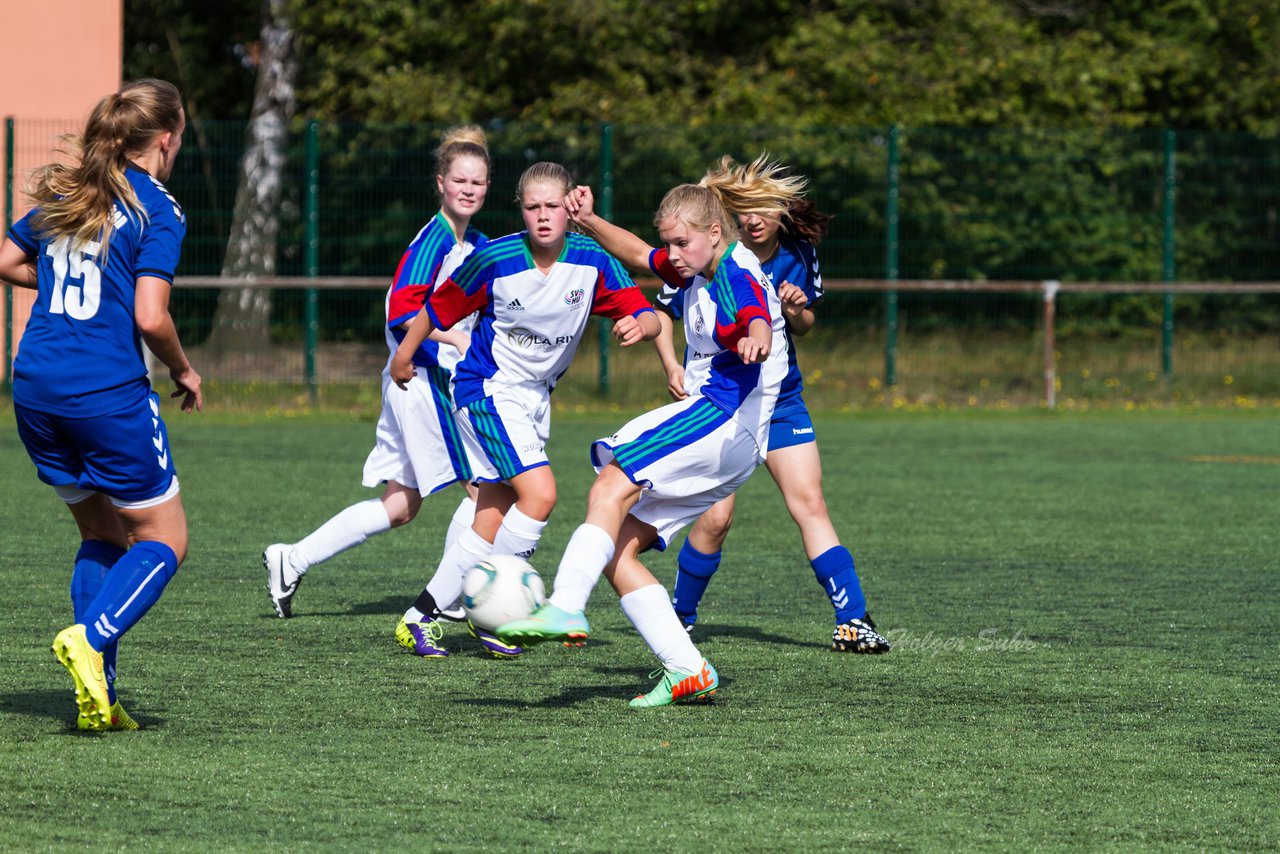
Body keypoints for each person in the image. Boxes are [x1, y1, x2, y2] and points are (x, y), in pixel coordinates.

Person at [498, 179, 788, 708]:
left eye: (682, 245)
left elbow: (755, 316)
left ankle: (564, 604)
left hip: (721, 419)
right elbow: (636, 252)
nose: (672, 258)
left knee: (611, 484)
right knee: (617, 547)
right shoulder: (700, 263)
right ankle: (687, 668)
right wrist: (588, 221)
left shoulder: (733, 271)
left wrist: (757, 337)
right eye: (669, 245)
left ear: (715, 233)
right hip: (730, 438)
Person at [387, 162, 660, 660]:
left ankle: (419, 617)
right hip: (486, 389)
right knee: (541, 494)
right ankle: (499, 612)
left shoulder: (591, 260)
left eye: (552, 206)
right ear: (521, 208)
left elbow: (645, 310)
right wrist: (403, 355)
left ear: (568, 209)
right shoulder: (495, 258)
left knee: (492, 513)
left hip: (534, 399)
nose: (542, 216)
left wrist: (643, 328)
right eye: (532, 207)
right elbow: (436, 308)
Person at [0, 79, 201, 731]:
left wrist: (55, 279)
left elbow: (5, 260)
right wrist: (183, 367)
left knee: (102, 534)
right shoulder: (157, 208)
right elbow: (151, 315)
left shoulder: (71, 190)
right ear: (165, 139)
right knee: (164, 537)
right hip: (103, 391)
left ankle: (101, 698)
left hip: (33, 388)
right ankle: (92, 638)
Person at [263, 125, 492, 623]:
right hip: (423, 382)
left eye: (478, 181)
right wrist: (451, 338)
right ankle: (451, 596)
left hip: (414, 384)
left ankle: (292, 558)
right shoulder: (433, 242)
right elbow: (402, 312)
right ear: (440, 183)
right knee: (488, 489)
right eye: (460, 180)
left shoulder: (475, 243)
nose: (469, 189)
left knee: (400, 505)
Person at [663, 156, 889, 653]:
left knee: (810, 503)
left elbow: (805, 327)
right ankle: (678, 616)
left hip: (780, 399)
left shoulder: (797, 253)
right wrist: (670, 363)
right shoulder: (709, 253)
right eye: (749, 209)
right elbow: (663, 310)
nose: (756, 218)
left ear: (781, 213)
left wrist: (794, 310)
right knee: (715, 518)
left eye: (766, 209)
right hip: (721, 402)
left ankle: (854, 620)